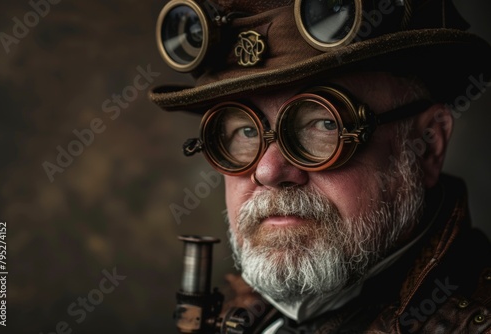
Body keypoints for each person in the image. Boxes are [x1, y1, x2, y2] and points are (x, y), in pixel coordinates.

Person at [151, 0, 491, 332]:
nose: (268, 171)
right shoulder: (239, 313)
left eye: (323, 124)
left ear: (428, 145)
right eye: (245, 131)